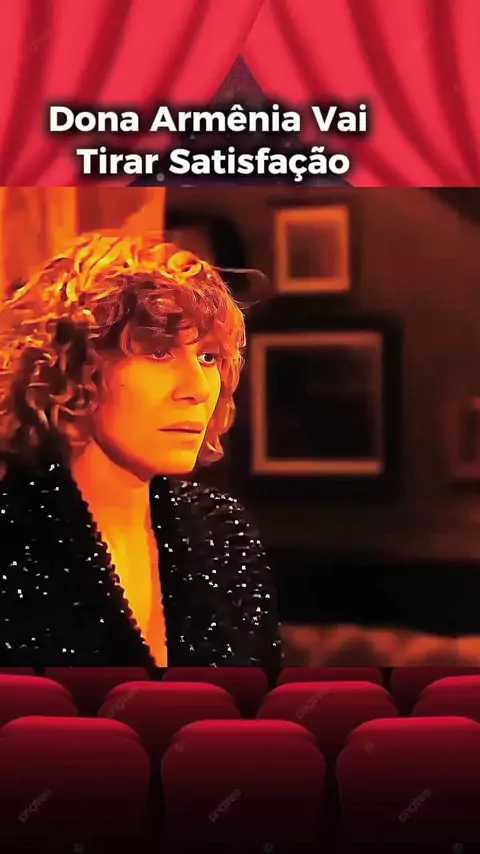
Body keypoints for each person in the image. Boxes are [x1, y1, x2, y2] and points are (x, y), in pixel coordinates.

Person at [0, 232, 283, 669]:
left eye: (208, 358)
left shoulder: (223, 532)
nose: (197, 389)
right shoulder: (12, 535)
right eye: (159, 352)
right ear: (71, 367)